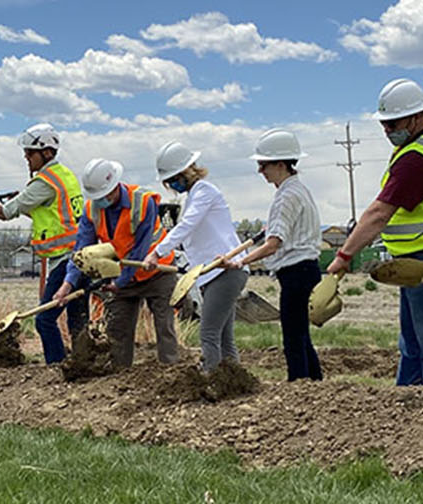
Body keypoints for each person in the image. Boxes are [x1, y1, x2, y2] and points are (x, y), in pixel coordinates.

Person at [327, 79, 423, 388]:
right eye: (383, 124)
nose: (387, 130)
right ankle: (405, 406)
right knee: (413, 343)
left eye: (392, 122)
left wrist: (344, 256)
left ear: (417, 117)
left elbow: (379, 214)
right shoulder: (421, 147)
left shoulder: (417, 159)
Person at [0, 123, 86, 363]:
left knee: (44, 320)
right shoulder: (65, 176)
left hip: (65, 258)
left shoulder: (44, 182)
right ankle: (84, 364)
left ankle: (56, 367)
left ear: (46, 152)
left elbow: (5, 213)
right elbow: (51, 212)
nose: (26, 157)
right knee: (78, 318)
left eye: (29, 152)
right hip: (81, 256)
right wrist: (23, 202)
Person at [55, 158, 179, 368]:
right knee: (117, 332)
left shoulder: (143, 201)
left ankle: (172, 373)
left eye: (103, 195)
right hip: (122, 277)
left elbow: (139, 250)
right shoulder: (91, 209)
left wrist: (120, 282)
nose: (100, 200)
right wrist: (67, 285)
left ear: (114, 187)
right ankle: (120, 378)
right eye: (96, 197)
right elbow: (81, 253)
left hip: (157, 272)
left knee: (164, 327)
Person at [145, 141, 245, 373]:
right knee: (224, 336)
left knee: (208, 333)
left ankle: (211, 379)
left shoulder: (205, 192)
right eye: (168, 182)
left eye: (174, 179)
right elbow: (187, 234)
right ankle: (235, 380)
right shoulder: (191, 197)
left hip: (224, 270)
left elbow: (187, 225)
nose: (172, 185)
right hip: (210, 273)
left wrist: (158, 252)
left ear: (188, 170)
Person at [237, 130, 323, 381]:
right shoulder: (296, 191)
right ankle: (313, 382)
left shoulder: (287, 196)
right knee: (300, 333)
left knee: (293, 336)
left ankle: (299, 384)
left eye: (263, 165)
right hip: (303, 270)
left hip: (297, 271)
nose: (260, 171)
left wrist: (241, 261)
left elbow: (273, 244)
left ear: (281, 164)